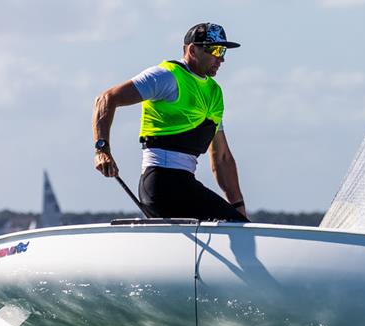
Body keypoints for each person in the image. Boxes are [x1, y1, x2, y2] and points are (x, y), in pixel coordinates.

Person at [92, 22, 249, 222]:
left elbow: (223, 159)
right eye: (215, 50)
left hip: (185, 184)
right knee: (232, 225)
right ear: (193, 50)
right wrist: (101, 150)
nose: (221, 58)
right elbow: (106, 99)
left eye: (224, 51)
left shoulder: (214, 93)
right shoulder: (166, 76)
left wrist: (239, 209)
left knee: (236, 224)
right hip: (160, 184)